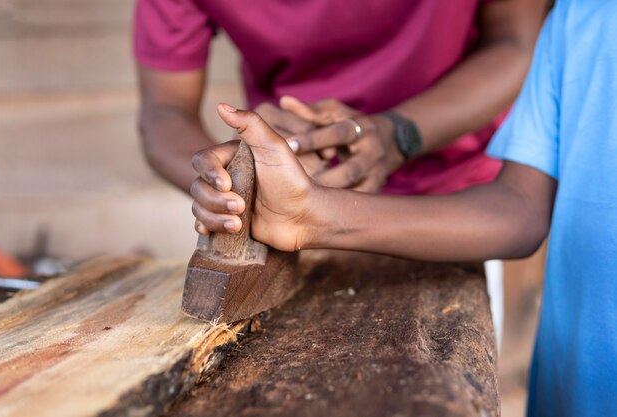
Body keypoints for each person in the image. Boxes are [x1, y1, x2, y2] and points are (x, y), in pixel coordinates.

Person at [190, 1, 617, 415]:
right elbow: (520, 208)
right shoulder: (578, 17)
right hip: (575, 388)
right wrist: (313, 211)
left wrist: (394, 139)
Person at [135, 0, 546, 348]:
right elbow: (165, 111)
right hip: (287, 209)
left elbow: (516, 41)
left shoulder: (509, 212)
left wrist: (398, 134)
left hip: (453, 204)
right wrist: (227, 184)